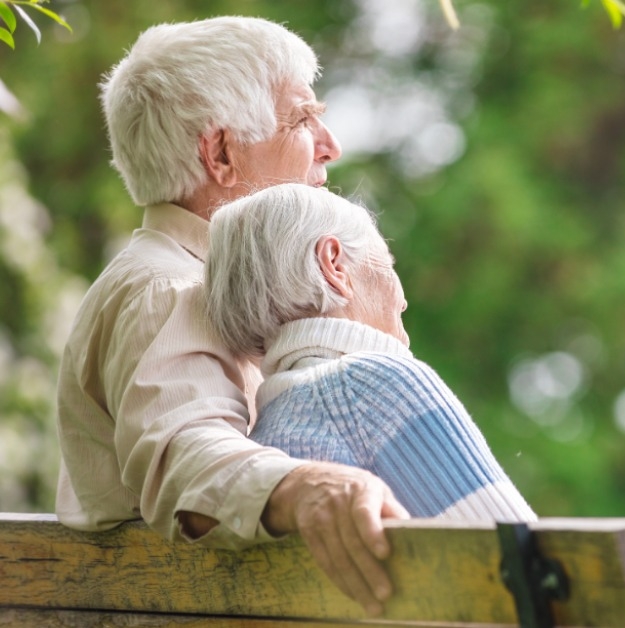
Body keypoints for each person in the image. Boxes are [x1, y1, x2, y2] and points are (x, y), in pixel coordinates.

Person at [55, 17, 402, 616]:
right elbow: (184, 450)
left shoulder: (203, 281)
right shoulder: (171, 287)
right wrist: (308, 486)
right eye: (302, 119)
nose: (330, 144)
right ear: (219, 153)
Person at [204, 184, 537, 522]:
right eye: (388, 263)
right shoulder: (375, 386)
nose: (403, 299)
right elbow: (524, 556)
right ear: (333, 265)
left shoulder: (263, 436)